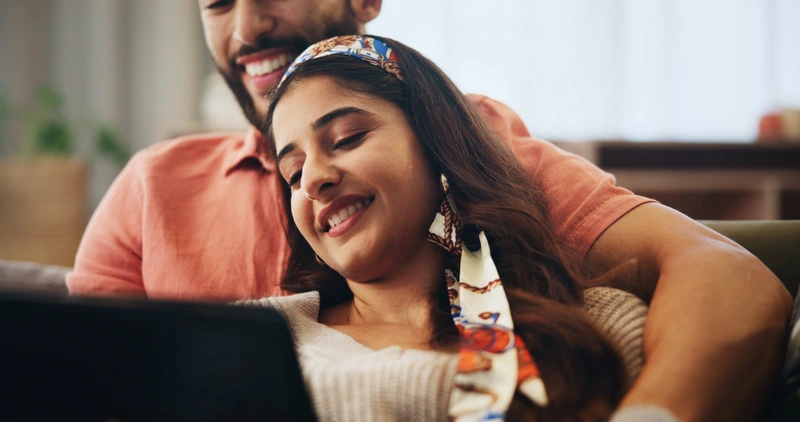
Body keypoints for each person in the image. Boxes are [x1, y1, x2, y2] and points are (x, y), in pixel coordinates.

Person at [67, 1, 791, 420]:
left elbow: (724, 277)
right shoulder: (150, 187)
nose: (249, 24)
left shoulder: (481, 145)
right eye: (218, 1)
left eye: (348, 137)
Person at [241, 34, 650, 421]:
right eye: (293, 174)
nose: (312, 181)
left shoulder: (597, 323)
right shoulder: (251, 339)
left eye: (348, 138)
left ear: (438, 146)